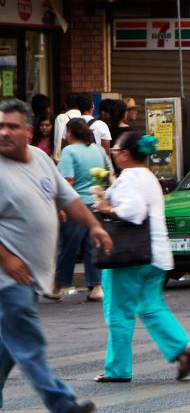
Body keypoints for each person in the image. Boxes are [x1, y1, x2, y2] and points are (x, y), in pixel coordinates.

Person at [0, 98, 106, 413]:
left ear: (29, 131)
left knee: (8, 346)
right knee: (28, 341)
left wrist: (94, 226)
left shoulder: (40, 160)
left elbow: (68, 198)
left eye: (12, 126)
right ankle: (62, 404)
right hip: (8, 278)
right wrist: (6, 259)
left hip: (30, 276)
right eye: (0, 126)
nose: (4, 132)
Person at [93, 131, 190, 383]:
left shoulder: (129, 177)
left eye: (116, 151)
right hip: (156, 254)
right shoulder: (149, 177)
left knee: (118, 311)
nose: (114, 155)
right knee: (151, 307)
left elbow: (133, 212)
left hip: (130, 255)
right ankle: (183, 348)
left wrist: (105, 207)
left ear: (127, 155)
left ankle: (117, 369)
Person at [52, 120, 109, 302]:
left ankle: (58, 286)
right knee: (93, 246)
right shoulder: (98, 150)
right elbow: (108, 174)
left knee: (68, 247)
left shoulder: (69, 151)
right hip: (96, 204)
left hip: (76, 206)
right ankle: (97, 286)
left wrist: (61, 207)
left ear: (69, 134)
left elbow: (67, 181)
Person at [51, 93, 82, 162]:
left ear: (65, 105)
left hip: (66, 158)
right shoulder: (84, 117)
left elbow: (58, 140)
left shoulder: (62, 118)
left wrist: (57, 159)